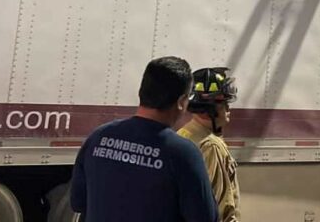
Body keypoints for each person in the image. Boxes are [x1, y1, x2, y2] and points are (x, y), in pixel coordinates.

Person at [70, 57, 218, 222]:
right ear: (181, 102)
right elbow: (205, 218)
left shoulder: (98, 137)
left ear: (142, 92)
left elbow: (78, 203)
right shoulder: (183, 153)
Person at [178, 67, 241, 222]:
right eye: (223, 102)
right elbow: (218, 209)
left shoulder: (184, 133)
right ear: (207, 109)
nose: (228, 107)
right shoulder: (211, 146)